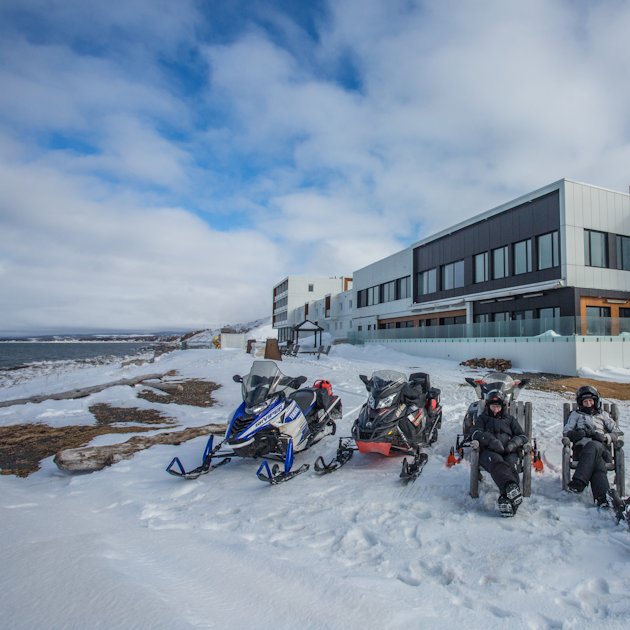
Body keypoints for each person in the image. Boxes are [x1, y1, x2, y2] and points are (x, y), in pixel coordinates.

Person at [471, 390, 528, 517]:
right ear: (488, 406)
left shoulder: (510, 419)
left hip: (509, 451)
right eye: (493, 406)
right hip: (489, 452)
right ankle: (510, 487)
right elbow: (475, 433)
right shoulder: (483, 418)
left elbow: (523, 436)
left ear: (502, 406)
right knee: (497, 462)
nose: (495, 409)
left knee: (511, 465)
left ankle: (506, 499)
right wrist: (491, 441)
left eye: (498, 406)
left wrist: (513, 443)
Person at [563, 385, 622, 506]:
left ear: (595, 401)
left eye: (591, 401)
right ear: (581, 403)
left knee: (593, 445)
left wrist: (605, 437)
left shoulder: (603, 415)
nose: (588, 403)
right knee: (598, 464)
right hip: (581, 451)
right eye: (585, 401)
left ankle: (579, 481)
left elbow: (618, 433)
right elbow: (566, 433)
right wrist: (578, 434)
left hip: (601, 447)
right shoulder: (576, 415)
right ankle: (602, 498)